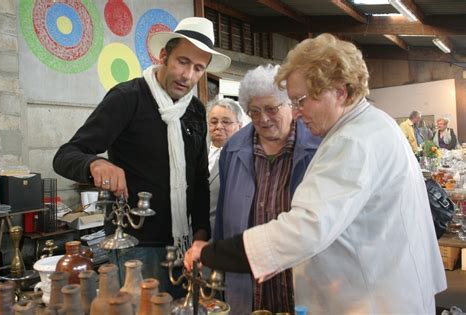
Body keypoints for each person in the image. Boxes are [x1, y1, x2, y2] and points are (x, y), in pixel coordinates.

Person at [185, 34, 446, 314]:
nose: (296, 113)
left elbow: (305, 228)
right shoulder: (369, 125)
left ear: (340, 92)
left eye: (301, 101)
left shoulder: (354, 140)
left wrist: (211, 254)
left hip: (373, 297)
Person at [53, 17, 231, 296]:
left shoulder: (195, 111)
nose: (188, 76)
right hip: (134, 246)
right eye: (182, 62)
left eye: (198, 68)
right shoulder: (128, 98)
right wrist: (95, 163)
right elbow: (66, 155)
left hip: (183, 246)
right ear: (163, 56)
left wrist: (200, 235)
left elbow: (198, 181)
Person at [213, 64, 321, 314]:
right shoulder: (233, 150)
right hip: (247, 280)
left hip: (299, 279)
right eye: (254, 111)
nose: (263, 118)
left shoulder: (315, 147)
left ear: (291, 107)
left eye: (272, 109)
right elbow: (222, 220)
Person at [206, 98, 243, 232]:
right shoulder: (195, 152)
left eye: (226, 122)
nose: (219, 126)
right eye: (214, 121)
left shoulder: (243, 160)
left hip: (219, 233)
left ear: (240, 126)